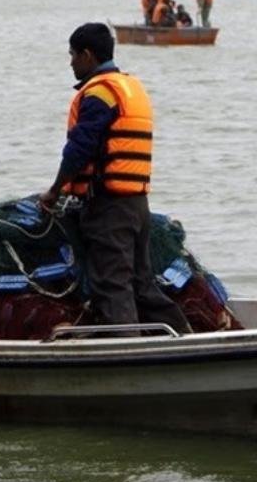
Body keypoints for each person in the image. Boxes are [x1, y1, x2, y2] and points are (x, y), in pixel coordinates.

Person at [39, 23, 190, 335]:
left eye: (72, 55)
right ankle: (185, 339)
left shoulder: (100, 93)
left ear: (88, 55)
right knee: (142, 284)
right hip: (137, 204)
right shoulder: (130, 87)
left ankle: (128, 356)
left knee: (112, 286)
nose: (70, 63)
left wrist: (54, 190)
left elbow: (80, 148)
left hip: (109, 208)